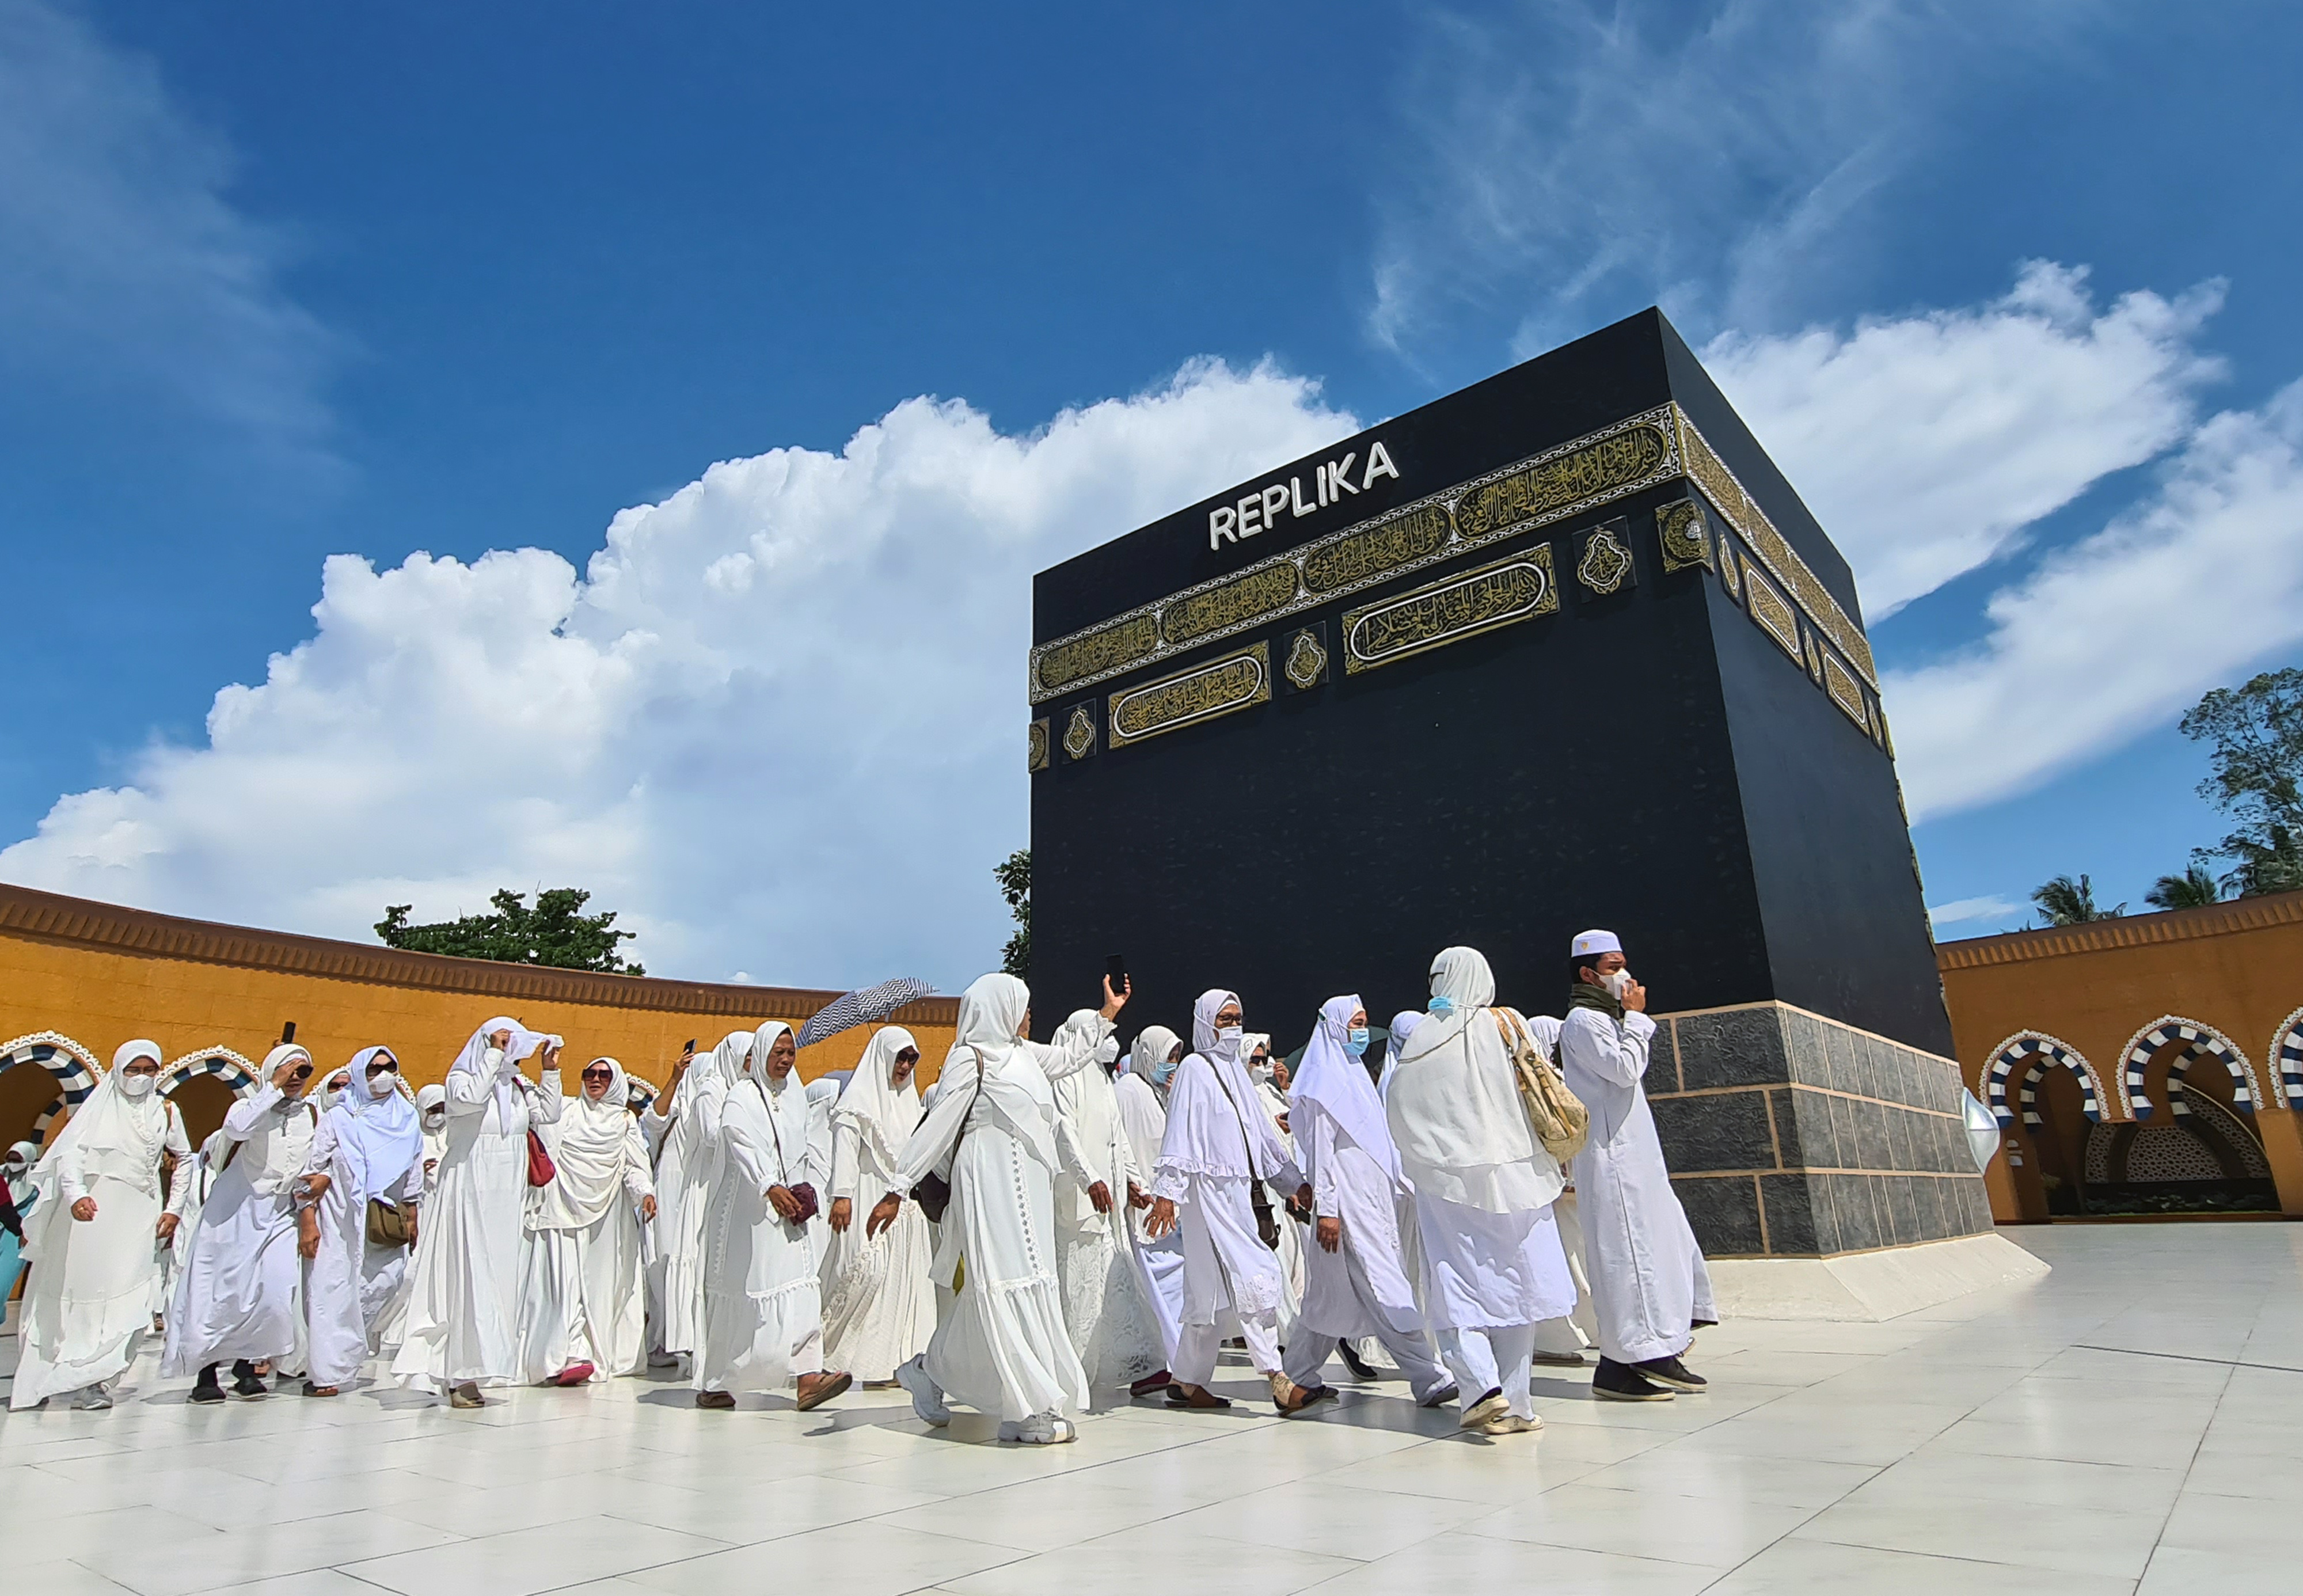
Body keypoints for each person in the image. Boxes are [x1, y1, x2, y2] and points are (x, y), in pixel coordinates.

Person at [868, 972, 1127, 1445]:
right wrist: (897, 1187)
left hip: (1029, 1185)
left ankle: (933, 1372)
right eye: (1023, 1006)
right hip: (985, 1181)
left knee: (1022, 1284)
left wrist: (1107, 1013)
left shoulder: (1027, 1055)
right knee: (1000, 1284)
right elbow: (940, 1124)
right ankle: (1023, 1410)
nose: (1029, 1016)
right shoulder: (970, 1059)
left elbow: (1072, 1056)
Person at [1386, 948, 1579, 1437]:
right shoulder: (1508, 1023)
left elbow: (1399, 1107)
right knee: (1520, 1287)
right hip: (1521, 1178)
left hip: (1447, 1183)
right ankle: (1515, 1404)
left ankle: (1480, 1390)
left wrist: (1431, 1156)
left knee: (1455, 1281)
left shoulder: (1423, 1037)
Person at [1143, 991, 1331, 1417]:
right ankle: (1278, 1380)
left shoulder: (1235, 1073)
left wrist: (1292, 1183)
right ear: (1206, 1022)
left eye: (1238, 1018)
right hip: (1206, 1192)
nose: (1232, 1026)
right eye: (1224, 1019)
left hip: (1238, 1192)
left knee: (1209, 1292)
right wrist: (1168, 1193)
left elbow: (1261, 1136)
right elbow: (1181, 1131)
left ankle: (1187, 1382)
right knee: (1257, 1273)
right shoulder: (1195, 1067)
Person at [1559, 930, 1716, 1400]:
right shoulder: (1584, 1021)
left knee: (1659, 1245)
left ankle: (1652, 1350)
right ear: (1588, 974)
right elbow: (1624, 1070)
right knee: (1628, 1258)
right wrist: (1637, 1020)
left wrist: (1628, 1020)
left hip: (1637, 1158)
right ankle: (1627, 1359)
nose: (1624, 975)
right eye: (1612, 967)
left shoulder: (1609, 1018)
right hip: (1613, 1161)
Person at [1284, 995, 1457, 1408]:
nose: (1361, 1032)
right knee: (1385, 1286)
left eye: (1365, 1023)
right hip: (1347, 1209)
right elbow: (1321, 1155)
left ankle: (1294, 1378)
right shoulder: (1323, 1083)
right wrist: (1328, 1211)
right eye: (1356, 1024)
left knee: (1331, 1297)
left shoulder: (1354, 1076)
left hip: (1370, 1204)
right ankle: (1428, 1376)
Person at [10, 1040, 193, 1409]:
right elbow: (69, 1156)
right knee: (84, 1291)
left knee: (128, 1294)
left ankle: (97, 1382)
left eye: (149, 1071)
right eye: (133, 1070)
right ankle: (56, 1373)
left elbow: (185, 1157)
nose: (141, 1078)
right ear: (119, 1070)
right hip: (94, 1216)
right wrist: (77, 1196)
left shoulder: (167, 1111)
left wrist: (173, 1209)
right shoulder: (98, 1110)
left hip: (140, 1214)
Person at [392, 1016, 564, 1407]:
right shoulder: (462, 1079)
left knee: (499, 1278)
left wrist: (550, 1071)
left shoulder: (518, 1087)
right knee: (468, 1276)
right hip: (470, 1187)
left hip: (507, 1193)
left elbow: (549, 1114)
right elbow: (469, 1100)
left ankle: (484, 1364)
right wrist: (490, 1054)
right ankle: (457, 1373)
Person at [693, 1021, 849, 1411]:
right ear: (760, 1054)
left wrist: (802, 1187)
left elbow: (802, 1146)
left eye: (790, 1053)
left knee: (801, 1284)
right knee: (745, 1289)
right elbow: (739, 1141)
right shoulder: (741, 1096)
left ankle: (808, 1376)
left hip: (790, 1211)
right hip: (750, 1211)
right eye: (776, 1053)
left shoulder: (794, 1095)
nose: (783, 1060)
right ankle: (717, 1380)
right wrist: (768, 1185)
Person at [164, 1043, 320, 1401]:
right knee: (218, 1293)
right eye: (288, 1070)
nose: (296, 1078)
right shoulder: (248, 1108)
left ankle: (248, 1365)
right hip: (233, 1214)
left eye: (303, 1071)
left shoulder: (309, 1115)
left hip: (279, 1214)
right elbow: (236, 1130)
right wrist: (273, 1088)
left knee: (274, 1292)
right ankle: (205, 1375)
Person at [517, 1055, 658, 1386]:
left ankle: (585, 1354)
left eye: (604, 1076)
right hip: (561, 1210)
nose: (595, 1080)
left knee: (594, 1286)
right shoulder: (566, 1111)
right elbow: (544, 1128)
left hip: (604, 1220)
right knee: (562, 1285)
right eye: (589, 1073)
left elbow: (633, 1166)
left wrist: (645, 1194)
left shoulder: (624, 1121)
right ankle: (563, 1354)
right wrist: (549, 1071)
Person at [300, 1046, 427, 1396]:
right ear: (359, 1073)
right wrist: (308, 1219)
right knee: (332, 1291)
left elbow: (413, 1169)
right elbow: (313, 1170)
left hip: (383, 1221)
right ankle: (326, 1373)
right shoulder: (339, 1118)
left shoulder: (406, 1119)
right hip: (339, 1219)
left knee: (383, 1284)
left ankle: (349, 1355)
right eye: (373, 1069)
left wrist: (411, 1213)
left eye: (389, 1068)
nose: (382, 1075)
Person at [1048, 1009, 1162, 1393]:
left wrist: (1134, 1181)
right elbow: (1064, 1131)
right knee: (1078, 1294)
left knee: (1112, 1285)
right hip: (1080, 1205)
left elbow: (1119, 1139)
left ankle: (1130, 1366)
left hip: (1108, 1203)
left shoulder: (1101, 1078)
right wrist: (1089, 1178)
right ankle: (1073, 1375)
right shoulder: (1064, 1077)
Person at [820, 1027, 934, 1385]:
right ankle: (821, 1355)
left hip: (904, 1207)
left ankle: (890, 1364)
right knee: (864, 1276)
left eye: (912, 1059)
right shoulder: (857, 1105)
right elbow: (846, 1155)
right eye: (900, 1057)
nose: (905, 1066)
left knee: (902, 1284)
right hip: (867, 1200)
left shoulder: (910, 1105)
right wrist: (842, 1196)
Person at [651, 1029, 749, 1371]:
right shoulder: (709, 1093)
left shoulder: (742, 1093)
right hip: (697, 1186)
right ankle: (676, 1339)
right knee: (679, 1258)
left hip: (719, 1185)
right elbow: (710, 1136)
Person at [1116, 1026, 1185, 1396]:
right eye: (1167, 1057)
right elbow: (1120, 1144)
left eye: (1176, 1058)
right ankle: (1168, 1365)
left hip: (1166, 1208)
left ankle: (1173, 1363)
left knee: (1173, 1290)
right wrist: (1132, 1186)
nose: (1171, 1065)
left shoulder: (1157, 1094)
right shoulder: (1128, 1091)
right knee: (1156, 1290)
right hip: (1141, 1207)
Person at [0, 1139, 35, 1328]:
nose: (13, 1164)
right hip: (11, 1228)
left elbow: (4, 1208)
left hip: (16, 1238)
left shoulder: (38, 1180)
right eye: (10, 1159)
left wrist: (25, 1231)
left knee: (2, 1282)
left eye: (18, 1159)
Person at [415, 1085, 449, 1194]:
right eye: (433, 1110)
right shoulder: (414, 1138)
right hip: (424, 1197)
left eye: (443, 1110)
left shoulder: (452, 1134)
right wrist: (420, 1171)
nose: (438, 1116)